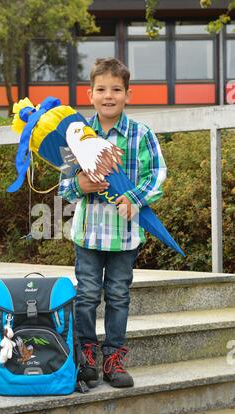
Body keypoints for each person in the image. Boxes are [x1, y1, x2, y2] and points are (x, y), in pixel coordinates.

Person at [58, 58, 167, 388]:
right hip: (88, 234)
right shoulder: (77, 136)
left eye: (116, 89)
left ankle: (114, 357)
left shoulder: (140, 135)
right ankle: (87, 355)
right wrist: (81, 185)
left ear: (128, 94)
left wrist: (134, 198)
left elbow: (157, 175)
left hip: (125, 236)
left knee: (118, 295)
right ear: (89, 94)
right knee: (87, 294)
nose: (109, 96)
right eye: (101, 89)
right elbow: (64, 186)